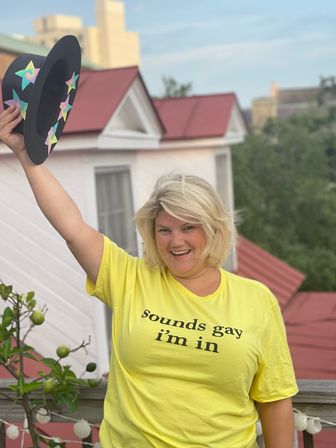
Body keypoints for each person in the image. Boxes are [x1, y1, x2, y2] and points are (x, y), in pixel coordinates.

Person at [0, 105, 298, 448]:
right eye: (165, 229)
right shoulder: (129, 278)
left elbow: (275, 399)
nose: (176, 241)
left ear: (214, 229)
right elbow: (72, 228)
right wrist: (26, 155)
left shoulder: (256, 299)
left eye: (189, 227)